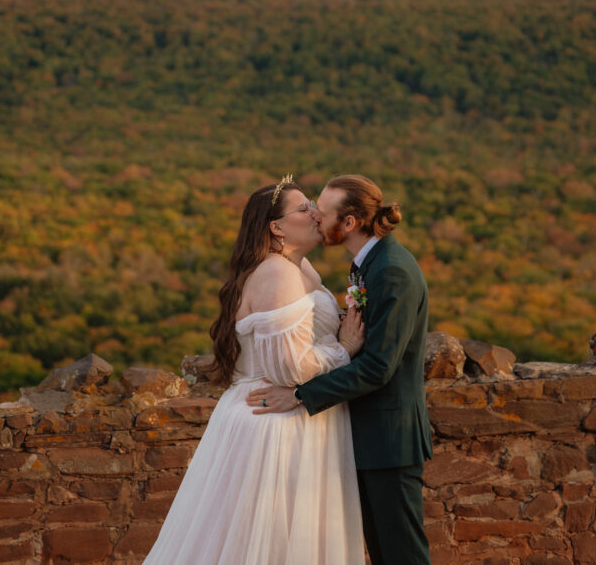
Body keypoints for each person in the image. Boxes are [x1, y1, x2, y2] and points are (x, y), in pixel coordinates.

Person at [142, 176, 366, 565]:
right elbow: (290, 368)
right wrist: (344, 349)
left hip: (297, 418)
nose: (315, 213)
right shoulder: (277, 274)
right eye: (303, 208)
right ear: (276, 228)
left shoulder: (300, 267)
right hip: (273, 424)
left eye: (312, 203)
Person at [247, 174, 433, 565]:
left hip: (389, 440)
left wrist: (298, 395)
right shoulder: (367, 265)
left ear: (348, 223)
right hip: (367, 437)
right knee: (383, 553)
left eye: (322, 211)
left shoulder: (392, 270)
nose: (315, 216)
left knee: (402, 555)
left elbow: (378, 367)